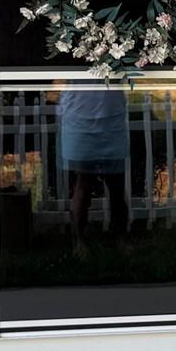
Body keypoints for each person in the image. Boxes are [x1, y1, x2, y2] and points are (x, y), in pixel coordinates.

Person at [56, 85, 129, 253]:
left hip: (111, 117)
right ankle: (79, 243)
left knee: (117, 186)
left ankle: (121, 239)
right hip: (80, 119)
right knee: (83, 184)